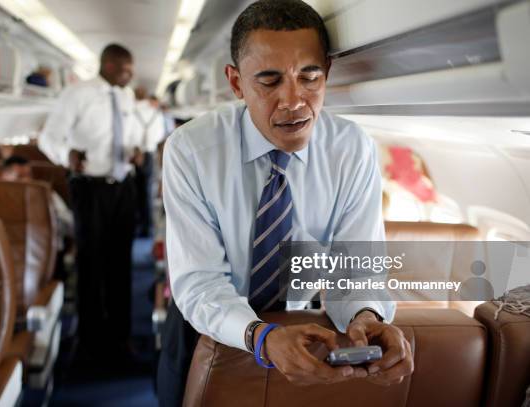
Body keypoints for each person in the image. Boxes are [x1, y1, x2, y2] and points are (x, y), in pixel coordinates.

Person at [158, 1, 413, 405]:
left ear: (327, 71)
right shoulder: (192, 150)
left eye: (309, 77)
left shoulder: (351, 149)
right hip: (207, 326)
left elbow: (354, 270)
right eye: (269, 81)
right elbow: (200, 280)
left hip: (305, 325)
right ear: (236, 83)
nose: (293, 100)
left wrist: (367, 316)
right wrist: (261, 336)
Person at [38, 43, 142, 360]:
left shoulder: (127, 96)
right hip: (89, 188)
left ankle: (120, 337)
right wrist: (65, 155)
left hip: (123, 186)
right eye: (126, 70)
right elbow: (48, 138)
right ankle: (90, 340)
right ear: (109, 65)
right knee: (91, 263)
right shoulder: (77, 94)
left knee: (120, 263)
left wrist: (135, 150)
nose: (130, 75)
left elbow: (130, 134)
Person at [0, 155, 74, 250]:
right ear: (4, 176)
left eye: (28, 175)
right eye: (20, 176)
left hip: (43, 249)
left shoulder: (46, 194)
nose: (27, 180)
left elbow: (69, 223)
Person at [133, 86, 166, 236]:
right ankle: (147, 227)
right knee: (146, 190)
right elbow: (159, 136)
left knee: (134, 191)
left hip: (133, 153)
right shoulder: (156, 113)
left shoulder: (133, 109)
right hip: (149, 154)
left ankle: (137, 224)